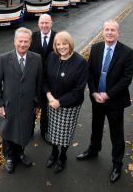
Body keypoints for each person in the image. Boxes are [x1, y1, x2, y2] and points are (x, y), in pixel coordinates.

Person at [76, 20, 133, 183]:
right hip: (96, 99)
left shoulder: (126, 52)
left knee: (117, 133)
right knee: (96, 125)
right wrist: (94, 92)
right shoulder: (96, 49)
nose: (109, 32)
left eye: (113, 30)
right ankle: (93, 150)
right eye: (107, 30)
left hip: (115, 101)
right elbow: (90, 73)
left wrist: (108, 95)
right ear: (103, 32)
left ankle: (117, 164)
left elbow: (126, 79)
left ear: (118, 33)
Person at [0, 27, 43, 174]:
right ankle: (9, 157)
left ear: (30, 42)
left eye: (26, 41)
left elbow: (39, 83)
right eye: (20, 41)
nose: (23, 44)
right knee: (8, 131)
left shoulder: (37, 59)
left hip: (28, 105)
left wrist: (38, 104)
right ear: (14, 41)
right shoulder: (3, 59)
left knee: (24, 129)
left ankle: (20, 152)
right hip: (9, 104)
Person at [44, 31, 88, 173]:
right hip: (52, 102)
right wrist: (49, 96)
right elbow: (44, 79)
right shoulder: (52, 57)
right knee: (53, 130)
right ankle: (54, 152)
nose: (61, 47)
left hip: (69, 106)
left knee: (64, 133)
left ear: (70, 44)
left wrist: (60, 102)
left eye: (64, 44)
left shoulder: (80, 62)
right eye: (58, 44)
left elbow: (78, 90)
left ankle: (62, 156)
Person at [29, 13, 56, 139]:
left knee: (46, 108)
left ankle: (44, 132)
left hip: (51, 79)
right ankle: (29, 131)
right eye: (42, 23)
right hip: (34, 78)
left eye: (47, 22)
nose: (44, 25)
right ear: (38, 24)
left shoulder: (57, 37)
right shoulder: (32, 37)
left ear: (51, 23)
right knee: (32, 105)